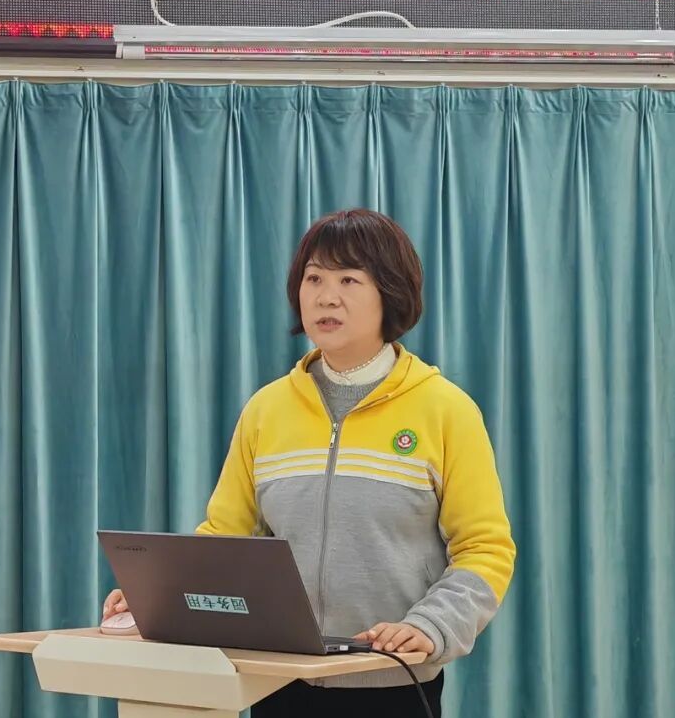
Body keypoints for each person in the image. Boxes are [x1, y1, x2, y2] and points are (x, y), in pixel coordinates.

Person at [103, 208, 515, 718]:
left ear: (390, 291)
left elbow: (485, 549)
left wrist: (430, 626)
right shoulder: (266, 410)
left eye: (349, 279)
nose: (326, 296)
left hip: (392, 681)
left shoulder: (446, 409)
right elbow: (223, 539)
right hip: (275, 681)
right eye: (314, 278)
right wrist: (156, 595)